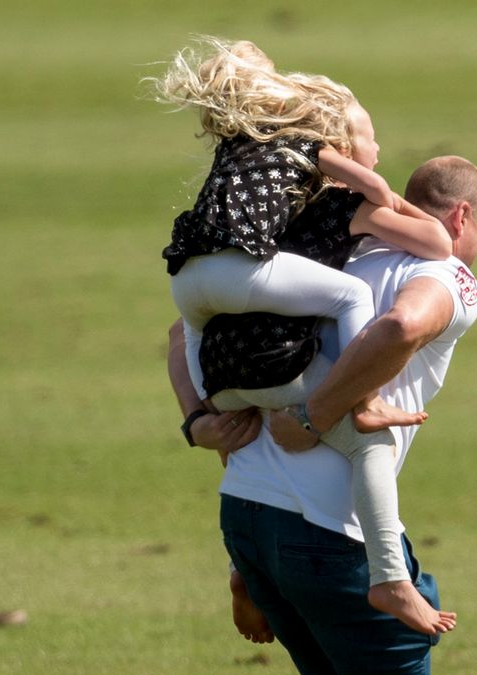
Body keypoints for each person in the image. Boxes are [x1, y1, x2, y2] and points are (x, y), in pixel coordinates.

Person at [168, 155, 477, 675]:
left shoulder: (322, 250)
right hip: (327, 528)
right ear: (458, 221)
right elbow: (399, 326)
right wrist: (317, 413)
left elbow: (181, 336)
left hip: (247, 510)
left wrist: (195, 420)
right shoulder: (447, 273)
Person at [156, 38, 454, 636]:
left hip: (221, 368)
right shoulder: (343, 202)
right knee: (371, 442)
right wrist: (392, 200)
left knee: (240, 431)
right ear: (342, 149)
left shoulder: (269, 205)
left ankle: (246, 565)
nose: (379, 147)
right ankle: (391, 578)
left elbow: (177, 336)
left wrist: (197, 419)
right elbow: (438, 246)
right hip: (285, 375)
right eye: (371, 138)